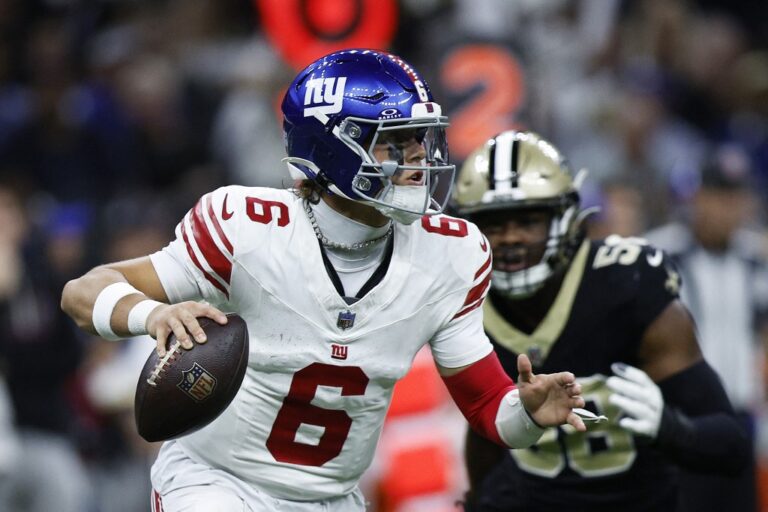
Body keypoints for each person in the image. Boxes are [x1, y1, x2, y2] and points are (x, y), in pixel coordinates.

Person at [60, 49, 589, 512]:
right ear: (332, 149)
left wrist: (529, 413)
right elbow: (81, 295)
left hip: (331, 498)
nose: (418, 162)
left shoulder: (451, 253)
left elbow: (486, 405)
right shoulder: (247, 228)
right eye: (395, 144)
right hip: (218, 483)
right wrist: (154, 314)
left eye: (420, 142)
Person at [453, 131, 751, 511]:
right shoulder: (464, 295)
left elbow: (729, 444)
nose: (510, 238)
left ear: (564, 220)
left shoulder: (627, 283)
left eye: (528, 221)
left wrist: (672, 429)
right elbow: (482, 428)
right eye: (493, 224)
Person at [646, 149, 768, 512]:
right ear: (696, 197)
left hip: (742, 413)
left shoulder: (756, 257)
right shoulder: (661, 253)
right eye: (717, 196)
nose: (727, 209)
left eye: (735, 197)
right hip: (684, 416)